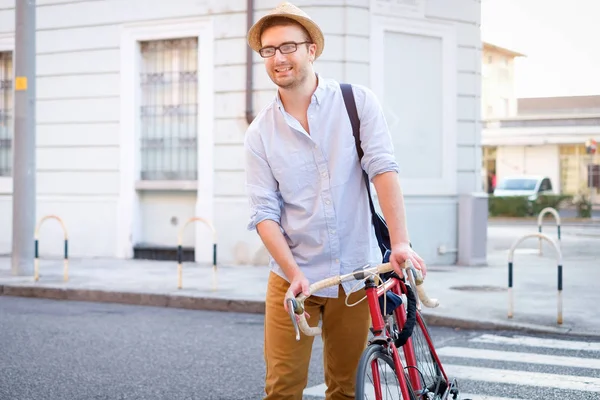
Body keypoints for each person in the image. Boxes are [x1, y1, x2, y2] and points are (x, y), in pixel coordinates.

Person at [243, 2, 427, 399]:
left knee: (346, 388)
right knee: (282, 388)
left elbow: (383, 171)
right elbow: (263, 212)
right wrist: (293, 273)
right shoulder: (259, 133)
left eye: (288, 46)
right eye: (269, 50)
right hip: (294, 279)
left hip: (356, 277)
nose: (279, 58)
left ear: (312, 50)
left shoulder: (356, 103)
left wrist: (399, 243)